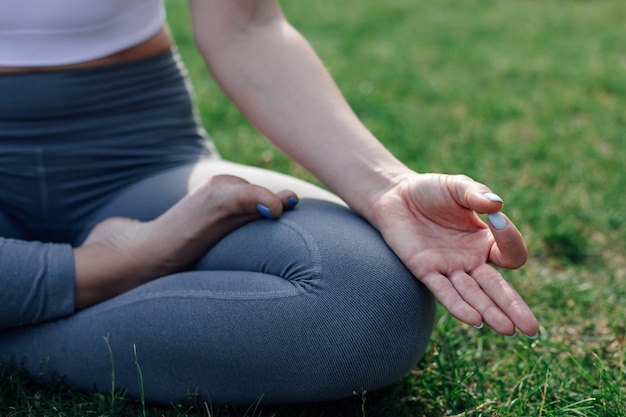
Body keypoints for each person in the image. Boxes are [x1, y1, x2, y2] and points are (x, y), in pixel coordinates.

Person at [0, 0, 539, 407]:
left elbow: (247, 25)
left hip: (140, 154)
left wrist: (385, 188)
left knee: (363, 300)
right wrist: (117, 264)